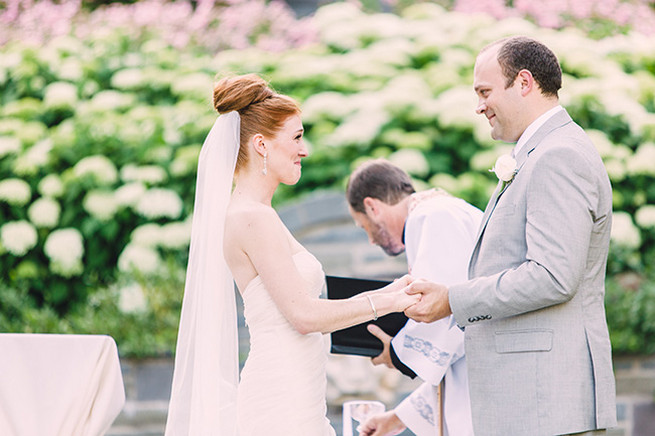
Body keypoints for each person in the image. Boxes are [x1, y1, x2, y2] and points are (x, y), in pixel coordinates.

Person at [163, 74, 419, 436]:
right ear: (261, 145)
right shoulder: (251, 217)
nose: (305, 150)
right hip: (280, 399)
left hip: (297, 393)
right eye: (297, 137)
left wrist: (395, 289)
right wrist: (390, 302)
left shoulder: (259, 212)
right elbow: (303, 314)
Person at [403, 36, 617, 435]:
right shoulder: (543, 152)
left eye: (485, 91)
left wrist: (452, 299)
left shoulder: (558, 156)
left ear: (523, 82)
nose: (479, 105)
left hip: (546, 405)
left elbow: (552, 277)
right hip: (535, 404)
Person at [345, 159, 481, 436]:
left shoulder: (431, 216)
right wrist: (396, 418)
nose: (371, 240)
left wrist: (396, 353)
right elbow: (460, 348)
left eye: (364, 226)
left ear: (372, 207)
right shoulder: (436, 214)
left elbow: (446, 315)